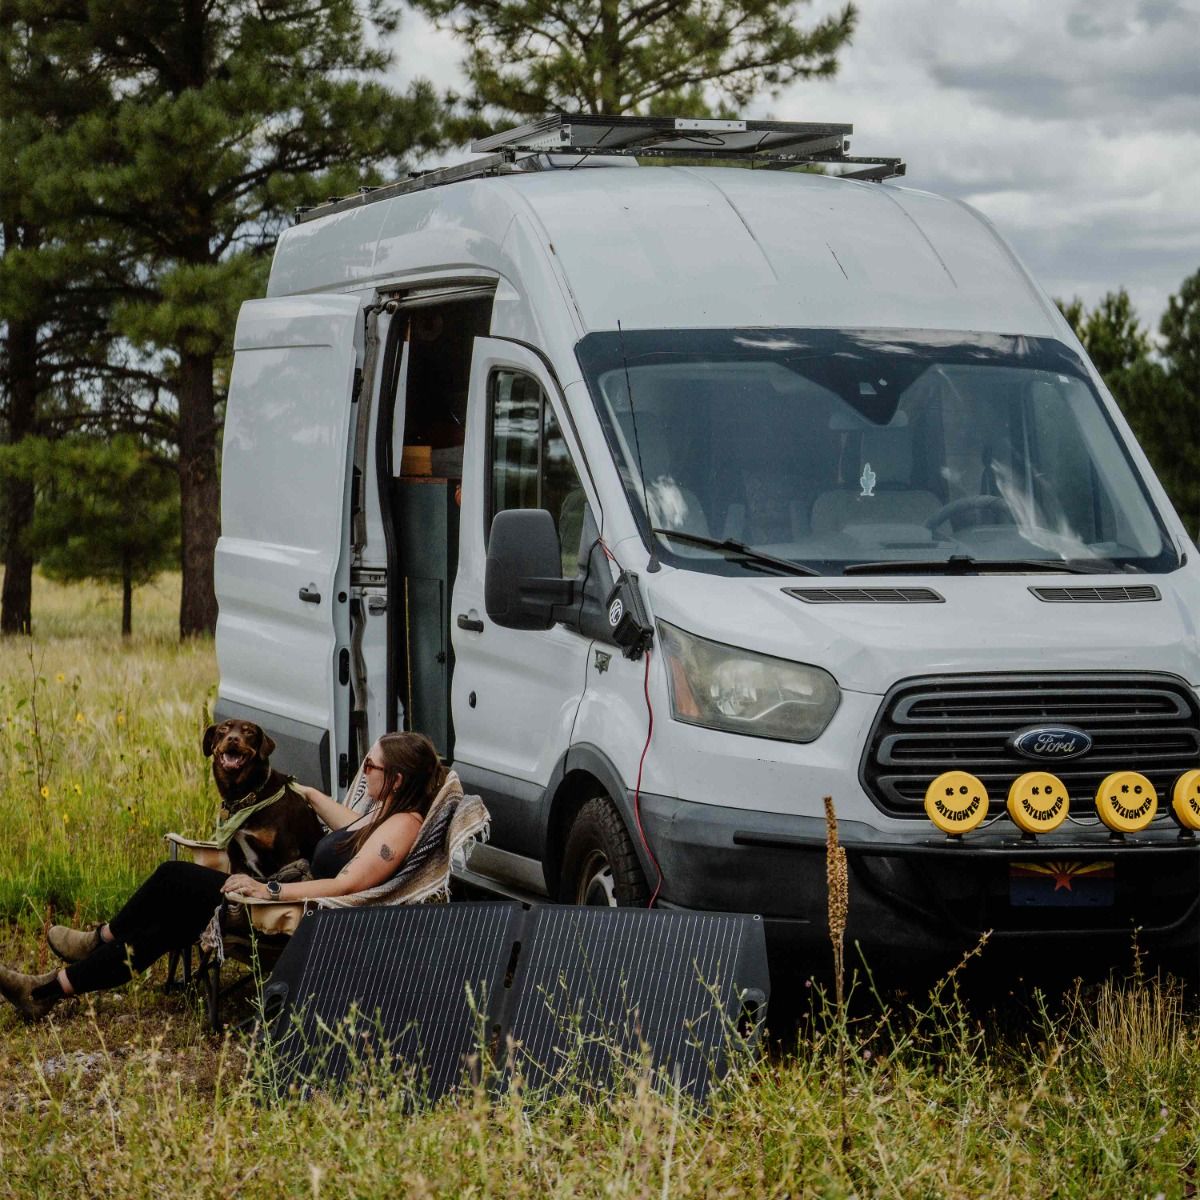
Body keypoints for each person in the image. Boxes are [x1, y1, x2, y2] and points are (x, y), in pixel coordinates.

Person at [0, 732, 449, 1023]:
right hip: (289, 896)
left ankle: (100, 937)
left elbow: (346, 885)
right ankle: (47, 990)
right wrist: (308, 793)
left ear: (396, 779)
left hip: (295, 911)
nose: (363, 772)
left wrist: (269, 889)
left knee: (173, 877)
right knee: (165, 927)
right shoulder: (384, 815)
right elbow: (352, 829)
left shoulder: (401, 827)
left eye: (371, 767)